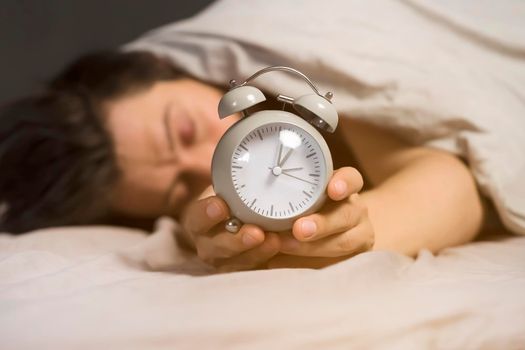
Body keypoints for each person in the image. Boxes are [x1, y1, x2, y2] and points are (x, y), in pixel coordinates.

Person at [0, 50, 486, 270]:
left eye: (186, 130)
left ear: (169, 67)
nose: (215, 156)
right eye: (180, 187)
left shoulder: (288, 53)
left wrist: (358, 229)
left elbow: (452, 183)